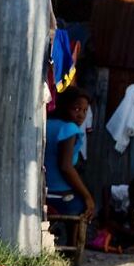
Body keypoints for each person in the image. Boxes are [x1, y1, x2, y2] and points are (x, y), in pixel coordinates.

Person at [45, 85, 94, 221]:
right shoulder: (69, 128)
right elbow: (66, 167)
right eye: (76, 109)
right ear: (64, 107)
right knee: (86, 209)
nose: (81, 115)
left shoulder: (47, 123)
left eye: (85, 110)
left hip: (42, 190)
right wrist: (87, 197)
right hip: (59, 195)